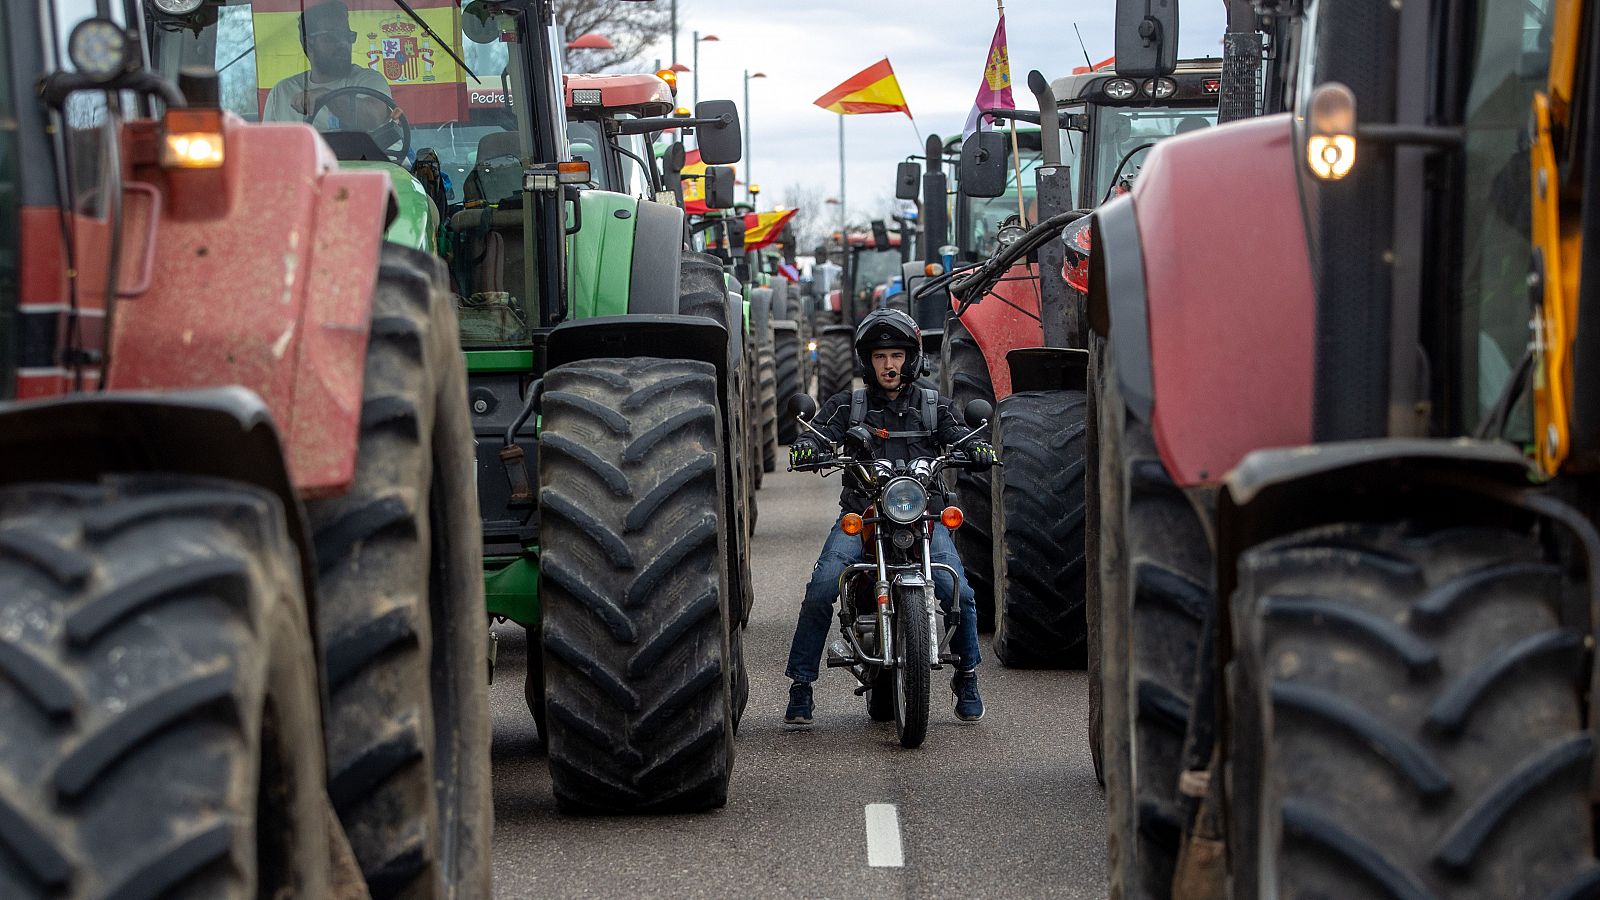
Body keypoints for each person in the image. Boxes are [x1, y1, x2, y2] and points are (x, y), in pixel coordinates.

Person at [782, 308, 999, 727]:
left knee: (959, 590)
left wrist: (977, 446)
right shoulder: (849, 406)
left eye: (897, 355)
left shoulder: (934, 406)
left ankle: (968, 677)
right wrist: (808, 446)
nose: (889, 364)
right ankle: (801, 684)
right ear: (867, 361)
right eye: (880, 356)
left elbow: (960, 434)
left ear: (911, 359)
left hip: (923, 518)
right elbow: (819, 434)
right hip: (864, 516)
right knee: (824, 584)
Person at [262, 1, 393, 131]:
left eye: (347, 36)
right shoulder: (282, 92)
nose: (344, 44)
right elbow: (267, 143)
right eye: (333, 37)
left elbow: (375, 117)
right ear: (309, 43)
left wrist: (328, 97)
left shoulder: (369, 80)